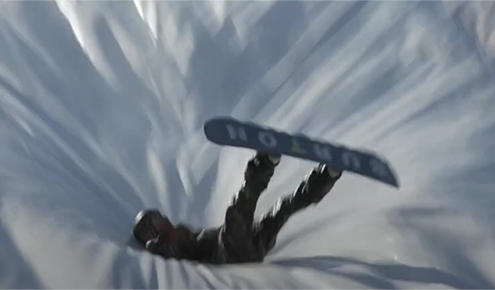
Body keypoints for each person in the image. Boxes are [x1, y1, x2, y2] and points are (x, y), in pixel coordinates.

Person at [132, 151, 343, 264]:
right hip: (230, 255)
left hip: (251, 246)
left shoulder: (179, 233)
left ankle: (326, 176)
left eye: (159, 215)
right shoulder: (166, 245)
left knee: (283, 209)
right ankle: (266, 162)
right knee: (237, 210)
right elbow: (158, 250)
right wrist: (153, 242)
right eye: (156, 219)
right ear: (151, 230)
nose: (163, 218)